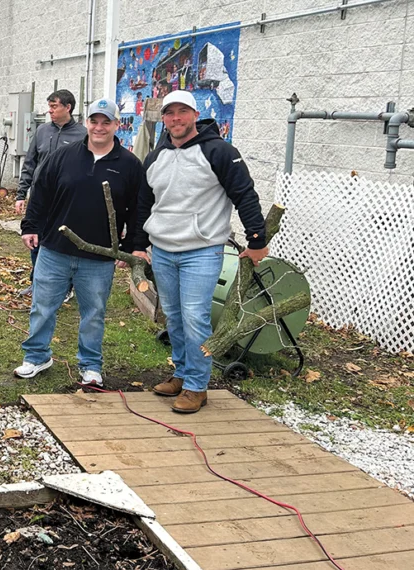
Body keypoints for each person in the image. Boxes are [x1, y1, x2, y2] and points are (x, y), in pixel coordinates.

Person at [132, 90, 267, 413]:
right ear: (163, 118)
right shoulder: (156, 156)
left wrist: (257, 239)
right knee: (175, 317)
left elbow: (244, 195)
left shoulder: (219, 152)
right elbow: (143, 204)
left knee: (195, 319)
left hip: (202, 251)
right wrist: (137, 244)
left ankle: (197, 385)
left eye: (182, 112)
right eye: (169, 113)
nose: (176, 119)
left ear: (195, 114)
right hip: (163, 250)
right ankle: (181, 372)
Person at [16, 99, 143, 385]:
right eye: (94, 121)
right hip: (54, 249)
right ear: (86, 123)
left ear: (116, 125)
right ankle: (36, 356)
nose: (99, 127)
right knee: (43, 305)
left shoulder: (130, 165)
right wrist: (30, 226)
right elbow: (41, 194)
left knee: (94, 313)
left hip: (99, 256)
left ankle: (90, 365)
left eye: (106, 122)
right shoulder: (63, 157)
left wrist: (132, 245)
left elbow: (138, 209)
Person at [14, 90, 88, 296]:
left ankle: (66, 287)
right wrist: (21, 194)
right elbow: (30, 163)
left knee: (63, 242)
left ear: (68, 107)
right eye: (49, 106)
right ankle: (37, 283)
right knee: (35, 239)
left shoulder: (82, 135)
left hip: (67, 201)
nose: (50, 111)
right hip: (40, 199)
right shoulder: (42, 132)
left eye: (54, 106)